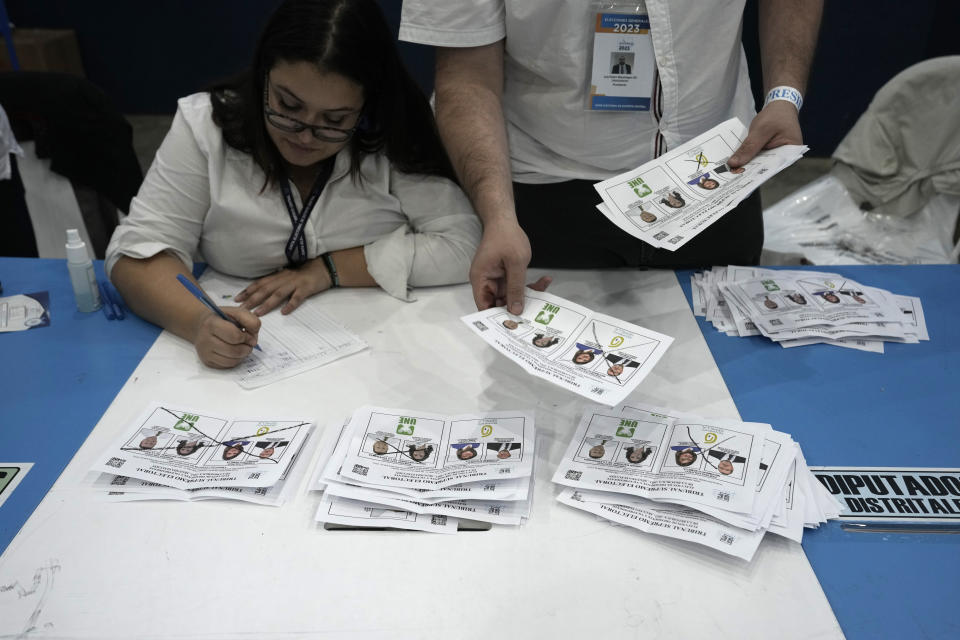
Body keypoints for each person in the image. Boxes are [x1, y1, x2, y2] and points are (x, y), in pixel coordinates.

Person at [106, 0, 481, 369]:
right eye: (288, 106)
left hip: (388, 354)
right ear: (263, 76)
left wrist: (331, 270)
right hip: (257, 352)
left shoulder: (390, 133)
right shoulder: (206, 126)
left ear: (367, 106)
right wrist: (198, 321)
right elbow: (137, 253)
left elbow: (464, 244)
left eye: (334, 120)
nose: (305, 136)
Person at [399, 0, 822, 313]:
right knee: (552, 403)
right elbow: (468, 79)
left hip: (717, 171)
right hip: (543, 194)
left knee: (726, 390)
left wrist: (784, 94)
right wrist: (497, 217)